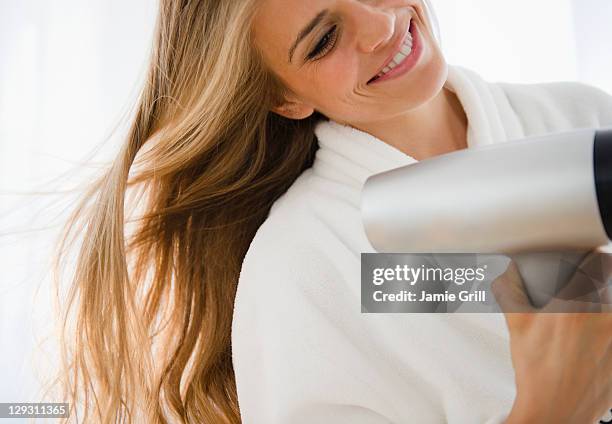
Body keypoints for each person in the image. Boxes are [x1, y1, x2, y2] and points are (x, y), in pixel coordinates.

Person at [54, 0, 612, 422]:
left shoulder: (582, 115)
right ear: (284, 97)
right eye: (324, 39)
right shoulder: (302, 266)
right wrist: (550, 410)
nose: (379, 24)